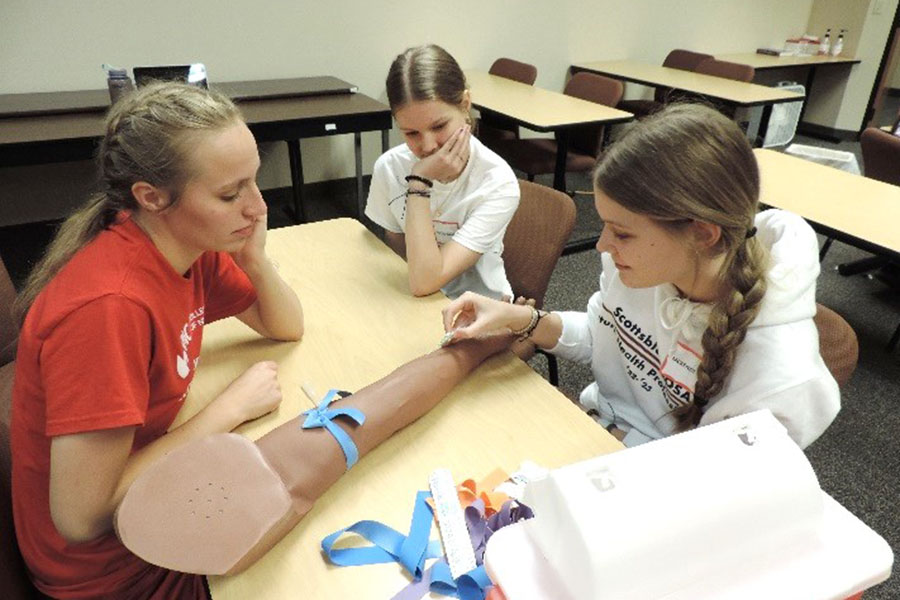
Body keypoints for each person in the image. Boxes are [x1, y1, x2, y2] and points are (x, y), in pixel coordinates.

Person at [10, 82, 304, 599]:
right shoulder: (108, 310)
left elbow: (285, 325)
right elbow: (82, 520)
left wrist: (254, 257)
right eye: (230, 194)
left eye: (255, 182)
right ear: (151, 197)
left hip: (142, 508)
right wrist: (225, 413)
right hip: (107, 574)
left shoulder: (189, 244)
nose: (257, 207)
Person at [441, 103, 840, 449]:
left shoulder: (781, 376)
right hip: (600, 433)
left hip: (657, 485)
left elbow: (718, 491)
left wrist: (625, 445)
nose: (602, 246)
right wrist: (522, 320)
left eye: (623, 232)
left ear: (702, 233)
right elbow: (606, 337)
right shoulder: (641, 267)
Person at [365, 44, 520, 300]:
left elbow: (425, 282)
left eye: (439, 126)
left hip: (476, 309)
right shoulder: (389, 168)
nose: (427, 146)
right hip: (412, 298)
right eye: (411, 133)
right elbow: (396, 249)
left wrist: (419, 182)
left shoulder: (497, 182)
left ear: (465, 105)